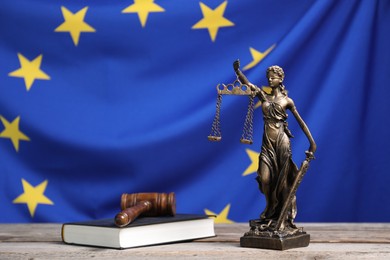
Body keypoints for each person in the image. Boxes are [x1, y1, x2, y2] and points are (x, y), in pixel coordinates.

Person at [233, 60, 316, 230]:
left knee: (283, 181)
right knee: (265, 179)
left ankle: (282, 218)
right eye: (268, 77)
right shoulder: (264, 96)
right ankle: (270, 209)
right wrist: (238, 71)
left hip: (281, 142)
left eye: (273, 78)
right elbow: (247, 84)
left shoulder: (287, 101)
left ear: (280, 79)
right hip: (267, 144)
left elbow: (301, 123)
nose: (270, 80)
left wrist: (312, 143)